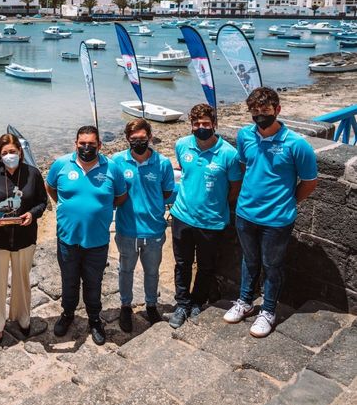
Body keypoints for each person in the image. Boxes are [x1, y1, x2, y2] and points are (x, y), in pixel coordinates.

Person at [223, 87, 317, 337]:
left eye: (265, 110)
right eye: (255, 110)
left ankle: (268, 310)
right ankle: (244, 301)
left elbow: (309, 182)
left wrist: (288, 202)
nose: (260, 115)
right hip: (245, 213)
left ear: (277, 110)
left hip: (277, 220)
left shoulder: (296, 144)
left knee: (272, 265)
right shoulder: (245, 136)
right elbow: (245, 166)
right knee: (249, 260)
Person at [46, 126, 127, 346]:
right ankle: (67, 314)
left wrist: (97, 210)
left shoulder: (112, 168)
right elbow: (51, 188)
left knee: (94, 283)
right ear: (75, 143)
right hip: (67, 239)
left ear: (99, 145)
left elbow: (120, 197)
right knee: (69, 281)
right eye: (82, 143)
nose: (86, 147)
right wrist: (68, 209)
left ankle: (94, 319)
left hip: (97, 241)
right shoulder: (61, 165)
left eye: (91, 144)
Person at [169, 103, 243, 328]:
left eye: (206, 124)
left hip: (211, 220)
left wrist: (216, 204)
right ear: (191, 125)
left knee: (206, 266)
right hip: (182, 216)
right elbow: (185, 173)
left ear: (214, 125)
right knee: (182, 263)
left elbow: (235, 187)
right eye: (197, 124)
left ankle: (197, 301)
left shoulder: (229, 154)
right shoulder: (182, 145)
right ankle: (181, 303)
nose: (201, 127)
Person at [0, 132, 48, 344]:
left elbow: (42, 202)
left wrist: (32, 214)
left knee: (22, 280)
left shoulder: (33, 173)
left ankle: (22, 317)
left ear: (20, 152)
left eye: (13, 151)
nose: (10, 155)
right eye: (5, 152)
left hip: (25, 238)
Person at [110, 118, 175, 332]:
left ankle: (151, 304)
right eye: (134, 139)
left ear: (150, 137)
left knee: (152, 272)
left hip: (154, 229)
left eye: (143, 138)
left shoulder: (163, 163)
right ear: (128, 139)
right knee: (125, 270)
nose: (138, 142)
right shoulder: (117, 161)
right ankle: (125, 306)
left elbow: (166, 193)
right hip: (127, 229)